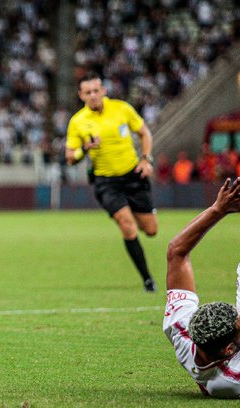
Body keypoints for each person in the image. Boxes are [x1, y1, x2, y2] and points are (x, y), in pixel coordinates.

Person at [65, 71, 158, 292]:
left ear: (103, 91)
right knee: (127, 225)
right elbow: (70, 157)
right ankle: (147, 279)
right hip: (105, 182)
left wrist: (146, 159)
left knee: (151, 229)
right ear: (81, 95)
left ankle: (135, 212)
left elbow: (144, 133)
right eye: (88, 92)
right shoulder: (78, 122)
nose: (93, 95)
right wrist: (85, 148)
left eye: (96, 90)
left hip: (133, 176)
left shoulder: (122, 109)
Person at [164, 177, 240, 398]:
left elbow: (176, 252)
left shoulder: (181, 328)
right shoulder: (232, 380)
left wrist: (219, 209)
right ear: (229, 350)